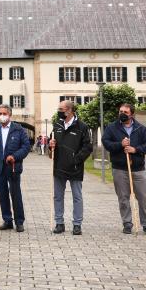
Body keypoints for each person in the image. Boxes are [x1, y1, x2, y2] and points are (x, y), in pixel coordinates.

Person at [102, 103, 146, 235]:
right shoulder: (111, 127)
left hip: (138, 168)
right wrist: (120, 144)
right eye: (120, 111)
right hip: (120, 168)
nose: (122, 114)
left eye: (125, 112)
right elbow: (106, 143)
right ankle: (127, 223)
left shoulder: (140, 128)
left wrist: (135, 149)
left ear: (131, 114)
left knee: (143, 197)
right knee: (123, 197)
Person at [49, 100, 93, 235]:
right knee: (57, 196)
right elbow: (51, 149)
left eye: (61, 109)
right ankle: (59, 223)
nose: (59, 111)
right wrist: (51, 146)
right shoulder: (57, 125)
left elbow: (87, 147)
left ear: (69, 110)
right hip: (59, 167)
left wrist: (76, 160)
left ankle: (77, 224)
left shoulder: (82, 126)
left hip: (75, 168)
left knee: (77, 196)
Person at [0, 104, 30, 232]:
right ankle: (7, 220)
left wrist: (14, 156)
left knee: (15, 194)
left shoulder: (18, 129)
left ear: (10, 115)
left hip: (13, 167)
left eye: (4, 113)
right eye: (0, 113)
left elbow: (26, 147)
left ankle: (19, 221)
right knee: (2, 194)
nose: (2, 116)